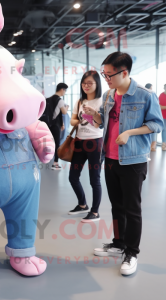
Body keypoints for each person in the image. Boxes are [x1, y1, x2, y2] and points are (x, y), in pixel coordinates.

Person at [83, 52, 163, 276]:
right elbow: (103, 122)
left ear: (124, 72)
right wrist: (93, 115)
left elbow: (157, 124)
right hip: (109, 159)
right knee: (117, 206)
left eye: (109, 75)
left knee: (132, 209)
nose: (106, 79)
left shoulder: (145, 95)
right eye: (104, 74)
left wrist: (130, 132)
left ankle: (132, 252)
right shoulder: (109, 95)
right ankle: (118, 243)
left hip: (133, 161)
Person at [68, 71, 103, 222]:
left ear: (97, 84)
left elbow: (100, 124)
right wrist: (82, 118)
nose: (86, 86)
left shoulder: (102, 101)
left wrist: (92, 114)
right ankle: (82, 205)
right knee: (72, 177)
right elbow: (72, 121)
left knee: (94, 179)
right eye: (84, 83)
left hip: (95, 142)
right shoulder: (79, 101)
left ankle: (95, 212)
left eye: (90, 83)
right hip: (79, 141)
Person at [48, 83, 69, 170]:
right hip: (55, 126)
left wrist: (62, 123)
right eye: (65, 90)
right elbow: (64, 112)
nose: (65, 92)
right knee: (57, 143)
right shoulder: (60, 101)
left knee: (49, 142)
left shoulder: (49, 99)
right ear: (62, 89)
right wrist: (66, 107)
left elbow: (57, 113)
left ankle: (47, 159)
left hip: (48, 124)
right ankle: (55, 164)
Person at [158, 84, 166, 150]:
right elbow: (159, 106)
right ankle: (164, 144)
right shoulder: (161, 95)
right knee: (164, 130)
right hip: (163, 116)